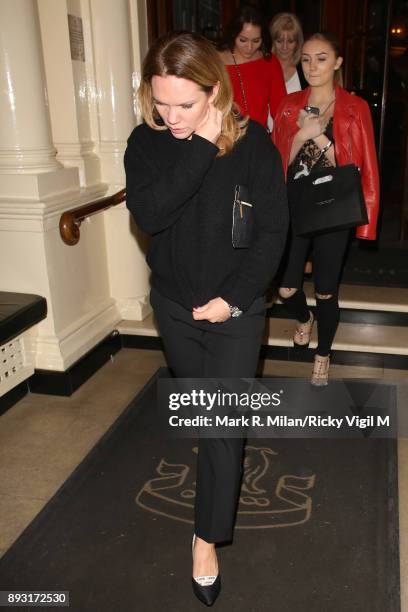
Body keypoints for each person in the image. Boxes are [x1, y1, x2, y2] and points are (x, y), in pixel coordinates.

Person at [124, 32, 288, 606]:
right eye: (161, 101)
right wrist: (196, 142)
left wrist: (236, 298)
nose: (171, 115)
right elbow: (151, 210)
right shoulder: (147, 145)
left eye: (185, 104)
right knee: (204, 415)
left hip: (237, 309)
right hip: (174, 307)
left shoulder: (255, 145)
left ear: (213, 91)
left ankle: (206, 539)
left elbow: (272, 235)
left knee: (224, 426)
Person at [273, 31, 379, 385]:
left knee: (325, 290)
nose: (312, 66)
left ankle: (323, 354)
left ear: (337, 63)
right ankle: (304, 318)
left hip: (334, 208)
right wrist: (300, 136)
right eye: (306, 58)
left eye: (321, 58)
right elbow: (278, 165)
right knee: (286, 288)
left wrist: (318, 135)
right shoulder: (288, 105)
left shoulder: (355, 107)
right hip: (296, 205)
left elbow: (358, 167)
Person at [218, 4, 286, 130]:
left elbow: (280, 110)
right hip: (222, 137)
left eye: (256, 41)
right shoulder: (216, 61)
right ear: (233, 35)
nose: (249, 47)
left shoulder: (269, 62)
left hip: (258, 138)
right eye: (243, 40)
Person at [270, 12, 308, 93]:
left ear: (298, 43)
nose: (284, 47)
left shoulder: (306, 68)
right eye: (279, 41)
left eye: (290, 41)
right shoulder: (263, 66)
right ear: (272, 41)